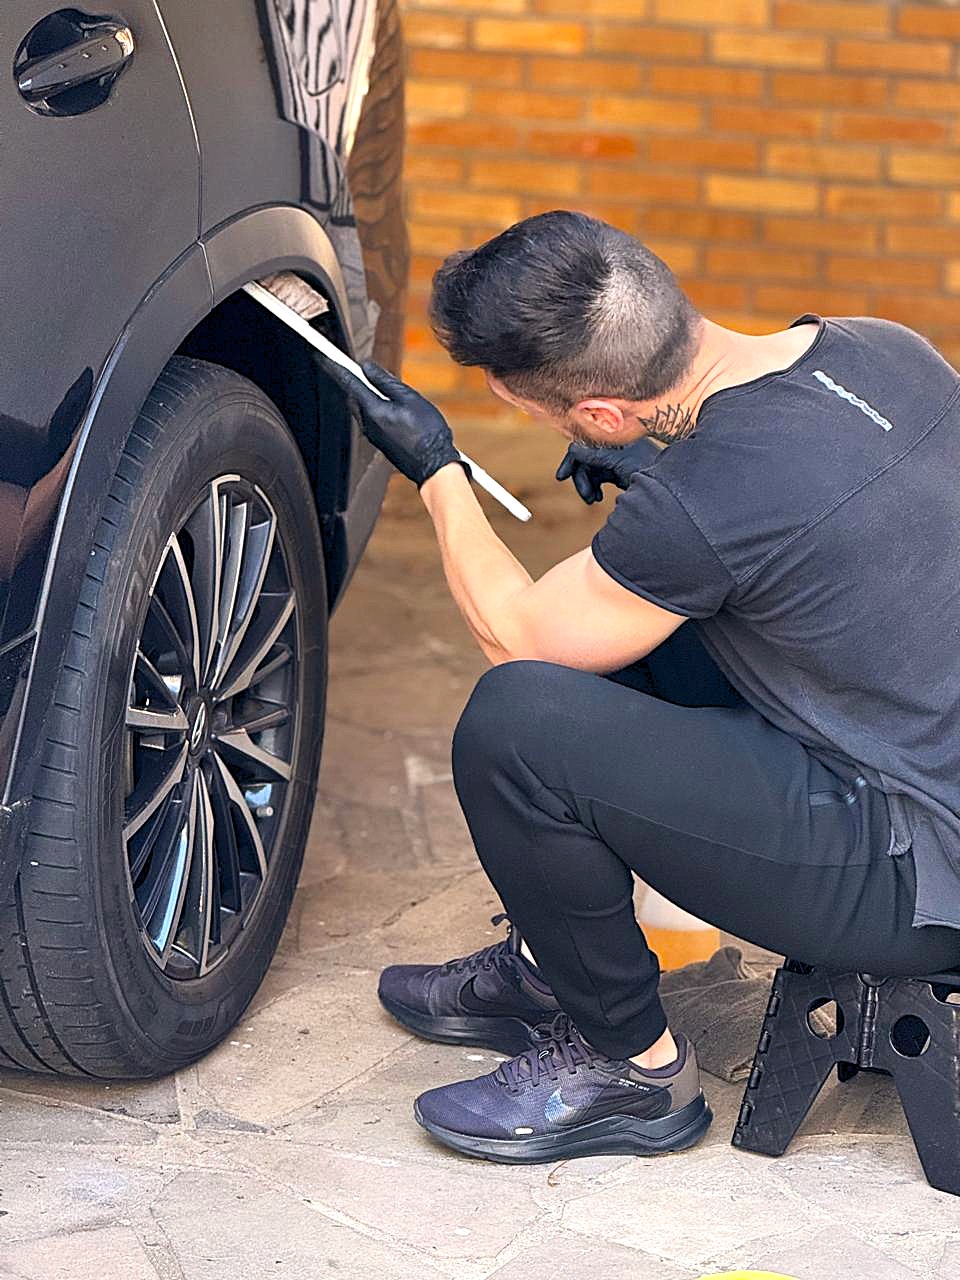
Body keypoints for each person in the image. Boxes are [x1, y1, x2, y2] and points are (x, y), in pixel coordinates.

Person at [320, 210, 960, 1165]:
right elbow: (798, 500)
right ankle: (552, 968)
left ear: (605, 414)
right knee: (633, 638)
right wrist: (660, 469)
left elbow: (521, 636)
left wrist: (437, 468)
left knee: (518, 725)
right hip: (912, 749)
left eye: (536, 407)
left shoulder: (703, 504)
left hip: (919, 871)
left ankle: (632, 1068)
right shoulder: (879, 349)